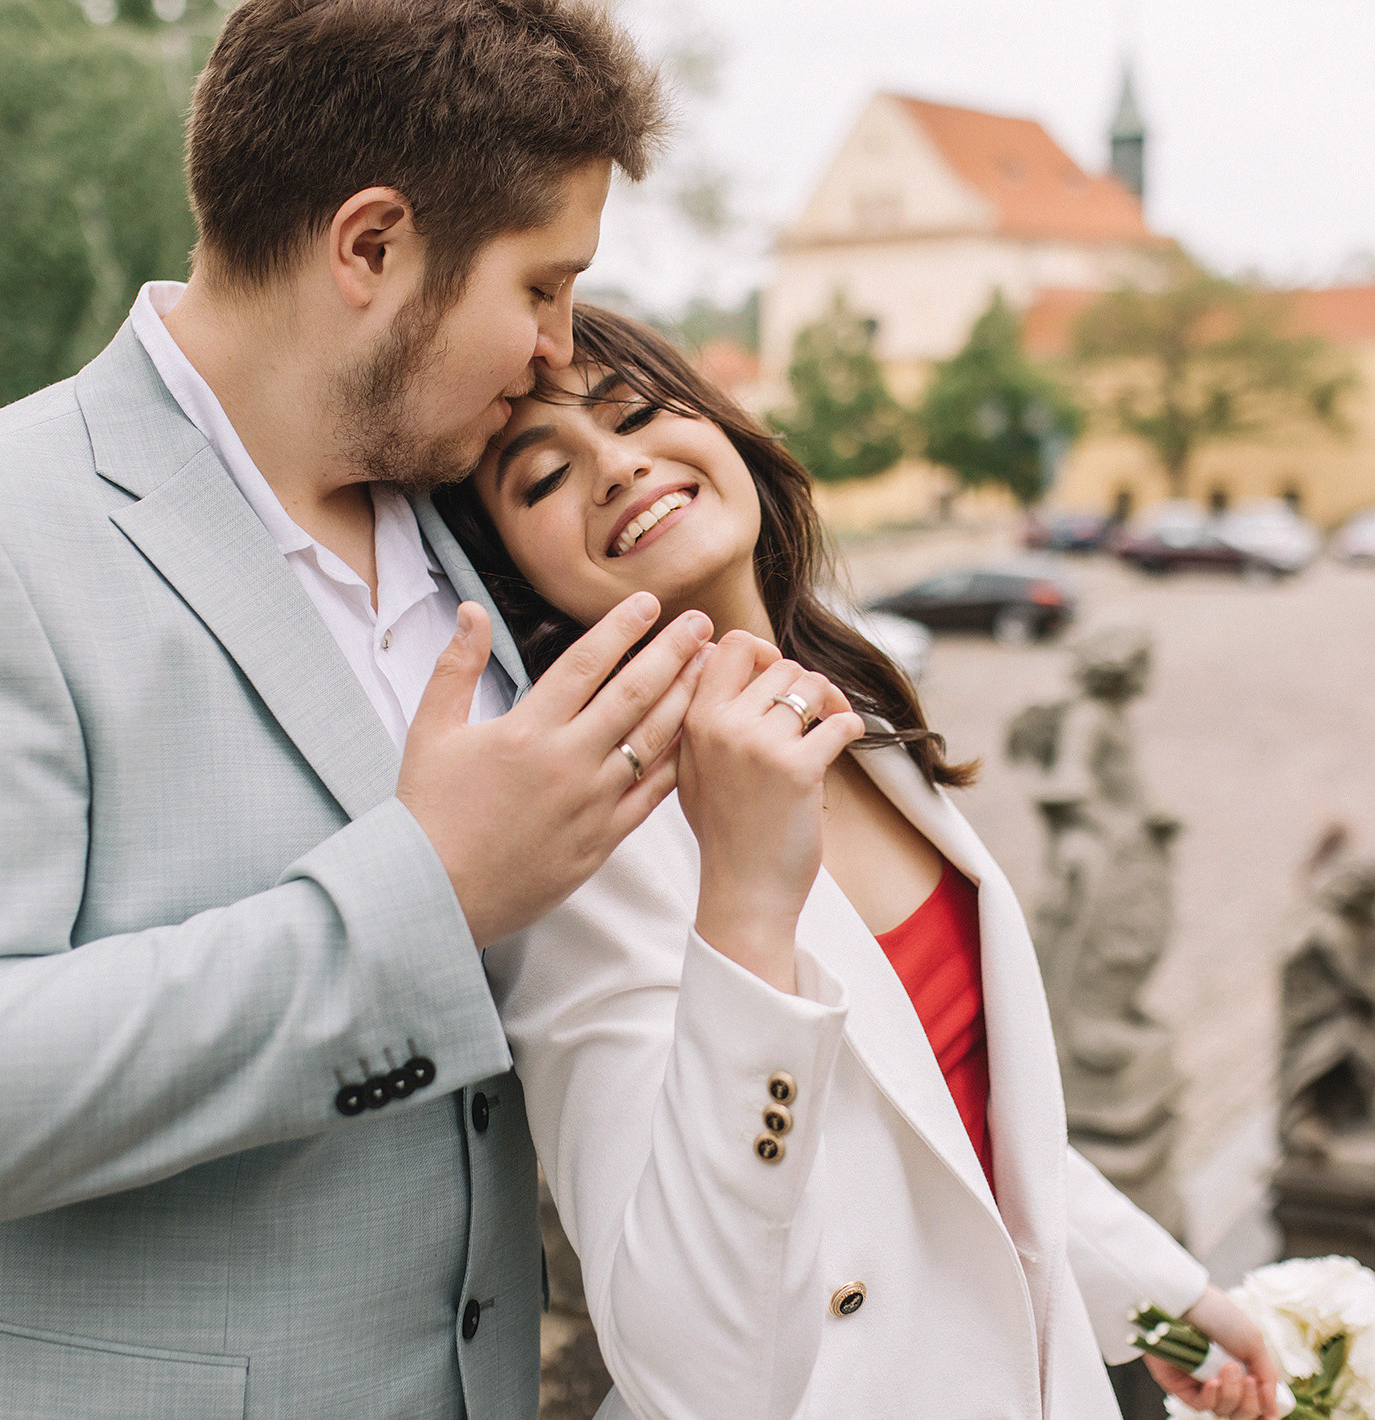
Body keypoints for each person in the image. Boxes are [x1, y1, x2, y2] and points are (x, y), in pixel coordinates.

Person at [0, 4, 688, 1416]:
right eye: (541, 287)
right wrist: (425, 894)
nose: (556, 350)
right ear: (370, 247)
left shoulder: (480, 519)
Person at [440, 308, 1281, 1419]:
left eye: (636, 412)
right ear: (514, 574)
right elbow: (692, 1366)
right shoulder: (587, 860)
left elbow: (953, 1119)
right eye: (543, 477)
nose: (617, 464)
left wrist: (1165, 1293)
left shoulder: (857, 717)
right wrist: (741, 908)